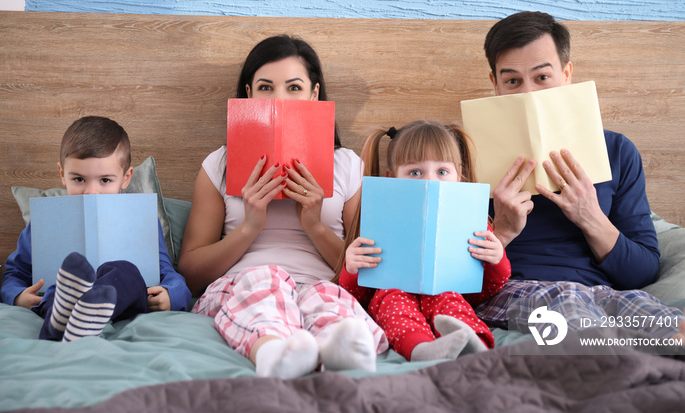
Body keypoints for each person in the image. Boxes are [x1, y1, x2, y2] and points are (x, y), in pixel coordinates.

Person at [474, 11, 685, 346]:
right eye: (512, 81)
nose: (529, 94)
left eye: (542, 77)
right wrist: (502, 230)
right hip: (519, 291)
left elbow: (642, 274)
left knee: (669, 323)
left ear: (566, 75)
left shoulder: (617, 151)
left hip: (601, 294)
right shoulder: (463, 156)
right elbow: (450, 281)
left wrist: (590, 217)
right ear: (494, 84)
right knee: (578, 318)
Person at [178, 35, 388, 379]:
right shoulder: (218, 164)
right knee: (268, 279)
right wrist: (249, 226)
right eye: (265, 87)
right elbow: (190, 272)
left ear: (314, 95)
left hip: (321, 283)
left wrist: (315, 225)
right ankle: (273, 352)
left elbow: (365, 269)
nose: (279, 99)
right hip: (242, 285)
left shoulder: (348, 166)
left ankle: (341, 353)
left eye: (293, 87)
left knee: (327, 299)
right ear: (248, 94)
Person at [1, 116, 191, 342]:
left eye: (105, 180)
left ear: (126, 177)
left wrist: (172, 294)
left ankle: (82, 317)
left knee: (126, 271)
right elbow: (15, 273)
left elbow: (167, 272)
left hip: (123, 300)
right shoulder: (45, 221)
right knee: (61, 284)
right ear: (63, 174)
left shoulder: (143, 219)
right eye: (79, 179)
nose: (91, 191)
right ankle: (61, 325)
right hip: (60, 298)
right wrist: (17, 296)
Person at [337, 120, 511, 361]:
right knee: (391, 299)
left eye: (442, 171)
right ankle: (420, 349)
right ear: (392, 178)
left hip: (447, 292)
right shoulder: (378, 218)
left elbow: (484, 291)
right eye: (415, 172)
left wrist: (496, 259)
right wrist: (352, 268)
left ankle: (475, 344)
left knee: (450, 300)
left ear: (458, 176)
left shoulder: (471, 220)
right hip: (392, 293)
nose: (430, 181)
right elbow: (355, 298)